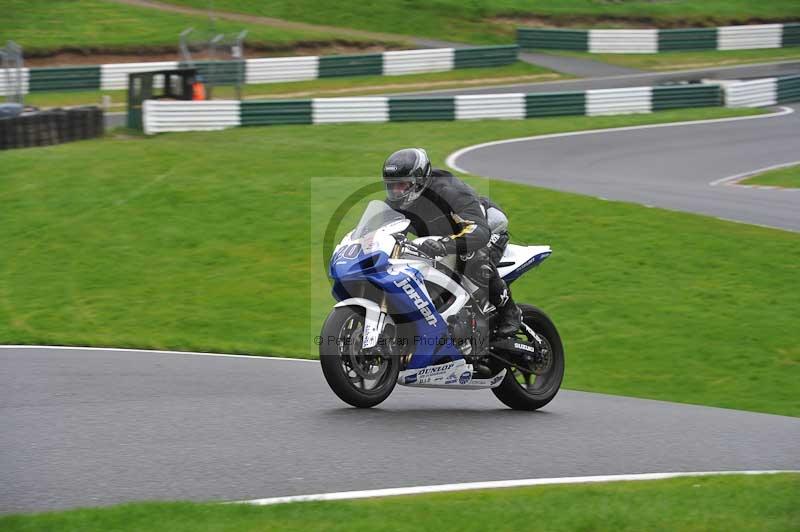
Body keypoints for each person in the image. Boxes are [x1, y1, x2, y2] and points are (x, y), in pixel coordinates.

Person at [382, 147, 521, 337]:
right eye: (392, 186)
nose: (397, 191)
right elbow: (379, 231)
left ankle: (509, 311)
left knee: (472, 257)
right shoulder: (396, 203)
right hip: (441, 239)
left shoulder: (449, 191)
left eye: (402, 185)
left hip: (486, 228)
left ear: (419, 180)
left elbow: (479, 231)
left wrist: (445, 245)